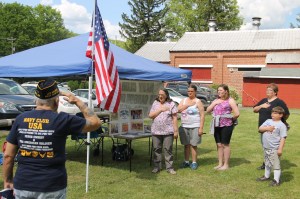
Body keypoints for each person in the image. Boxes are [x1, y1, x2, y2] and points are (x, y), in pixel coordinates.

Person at [3, 79, 101, 198]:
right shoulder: (63, 120)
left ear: (36, 100)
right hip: (52, 186)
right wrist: (77, 101)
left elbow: (8, 156)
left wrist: (8, 181)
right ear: (56, 100)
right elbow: (95, 122)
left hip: (23, 185)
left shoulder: (20, 119)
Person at [253, 83, 289, 170]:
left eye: (270, 90)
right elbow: (254, 110)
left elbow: (286, 114)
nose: (267, 92)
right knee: (265, 146)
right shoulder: (263, 100)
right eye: (267, 90)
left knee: (273, 147)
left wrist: (278, 123)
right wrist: (262, 106)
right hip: (263, 128)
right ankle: (266, 163)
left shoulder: (279, 102)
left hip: (273, 130)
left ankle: (274, 164)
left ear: (275, 92)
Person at [206, 84, 239, 171]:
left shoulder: (230, 100)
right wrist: (214, 103)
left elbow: (237, 113)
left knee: (225, 144)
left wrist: (231, 120)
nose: (219, 92)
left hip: (227, 125)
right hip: (216, 124)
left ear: (226, 91)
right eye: (218, 90)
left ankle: (226, 164)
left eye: (221, 90)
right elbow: (208, 110)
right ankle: (220, 163)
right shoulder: (216, 100)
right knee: (219, 144)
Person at [256, 106, 288, 186]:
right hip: (266, 147)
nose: (272, 114)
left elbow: (283, 138)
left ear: (281, 115)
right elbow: (260, 129)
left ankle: (276, 180)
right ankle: (266, 176)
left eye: (275, 113)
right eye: (272, 113)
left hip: (274, 148)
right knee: (267, 163)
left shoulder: (282, 125)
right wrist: (268, 128)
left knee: (275, 165)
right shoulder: (268, 121)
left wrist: (280, 149)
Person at [149, 89, 178, 174]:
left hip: (168, 131)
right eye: (159, 94)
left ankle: (169, 168)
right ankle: (157, 167)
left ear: (166, 95)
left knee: (168, 149)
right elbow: (151, 115)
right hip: (156, 131)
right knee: (156, 149)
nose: (160, 96)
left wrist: (175, 131)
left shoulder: (171, 104)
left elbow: (175, 118)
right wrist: (160, 110)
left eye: (162, 94)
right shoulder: (155, 103)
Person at [177, 84, 205, 170]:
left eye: (191, 91)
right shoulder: (184, 100)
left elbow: (202, 115)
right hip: (184, 126)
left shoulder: (198, 101)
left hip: (195, 126)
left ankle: (194, 162)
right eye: (188, 91)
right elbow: (178, 110)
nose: (190, 93)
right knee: (186, 145)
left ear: (195, 92)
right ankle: (186, 161)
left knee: (194, 145)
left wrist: (201, 128)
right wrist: (187, 105)